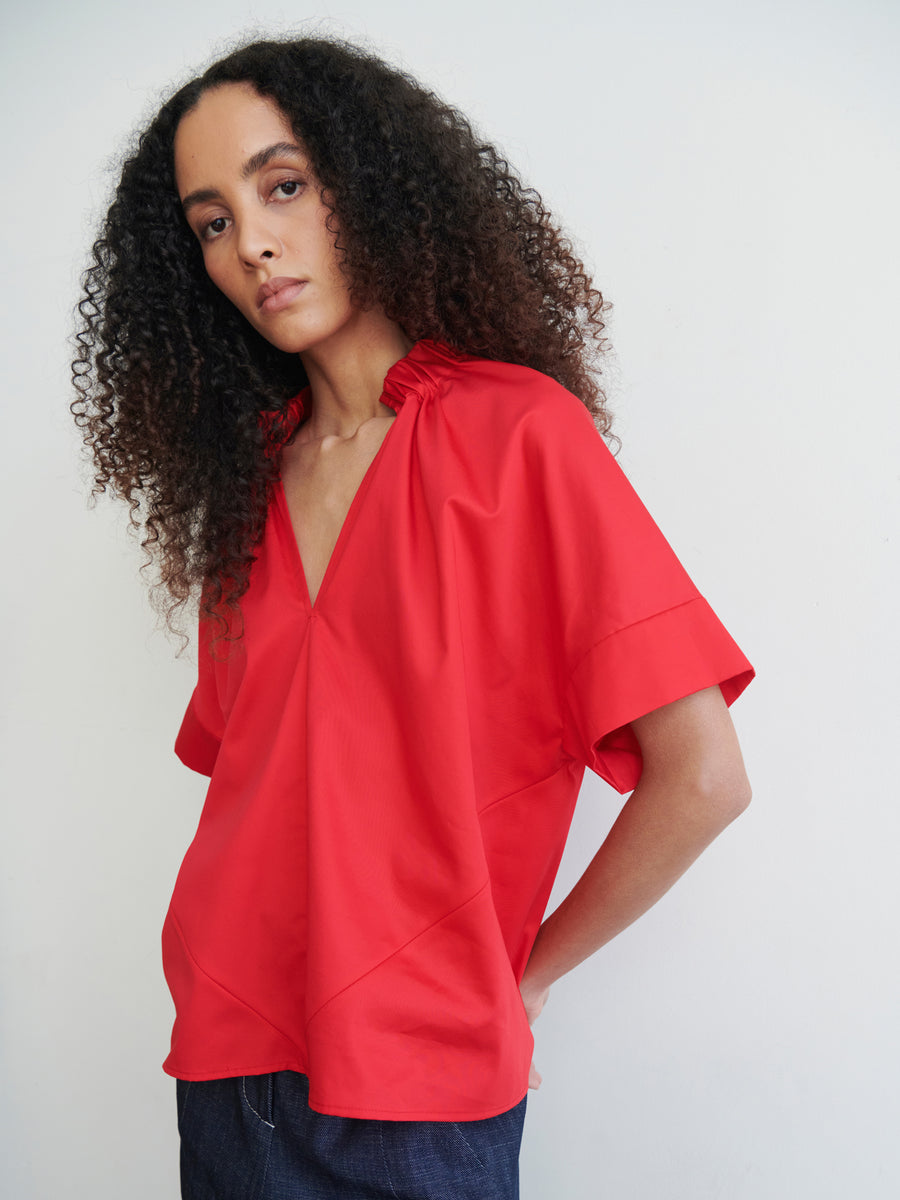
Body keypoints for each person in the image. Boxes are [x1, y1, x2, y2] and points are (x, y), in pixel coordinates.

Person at [72, 35, 754, 1200]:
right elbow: (264, 790)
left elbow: (702, 778)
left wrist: (523, 980)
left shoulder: (520, 438)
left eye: (281, 185)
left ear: (369, 180)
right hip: (228, 1073)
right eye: (212, 222)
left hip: (422, 1098)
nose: (254, 243)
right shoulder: (246, 489)